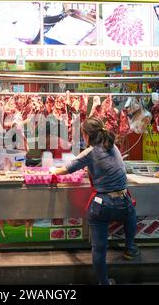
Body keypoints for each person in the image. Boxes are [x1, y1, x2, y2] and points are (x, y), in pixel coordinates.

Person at [51, 117, 139, 285]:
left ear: (86, 135)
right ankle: (130, 248)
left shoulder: (90, 152)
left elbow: (65, 170)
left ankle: (103, 283)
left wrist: (52, 170)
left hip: (103, 204)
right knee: (131, 214)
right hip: (123, 200)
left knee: (99, 248)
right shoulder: (113, 147)